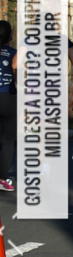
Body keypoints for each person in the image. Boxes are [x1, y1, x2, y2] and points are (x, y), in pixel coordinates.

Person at [0, 20, 17, 192]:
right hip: (8, 98)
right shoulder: (14, 53)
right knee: (7, 141)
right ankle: (2, 179)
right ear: (10, 36)